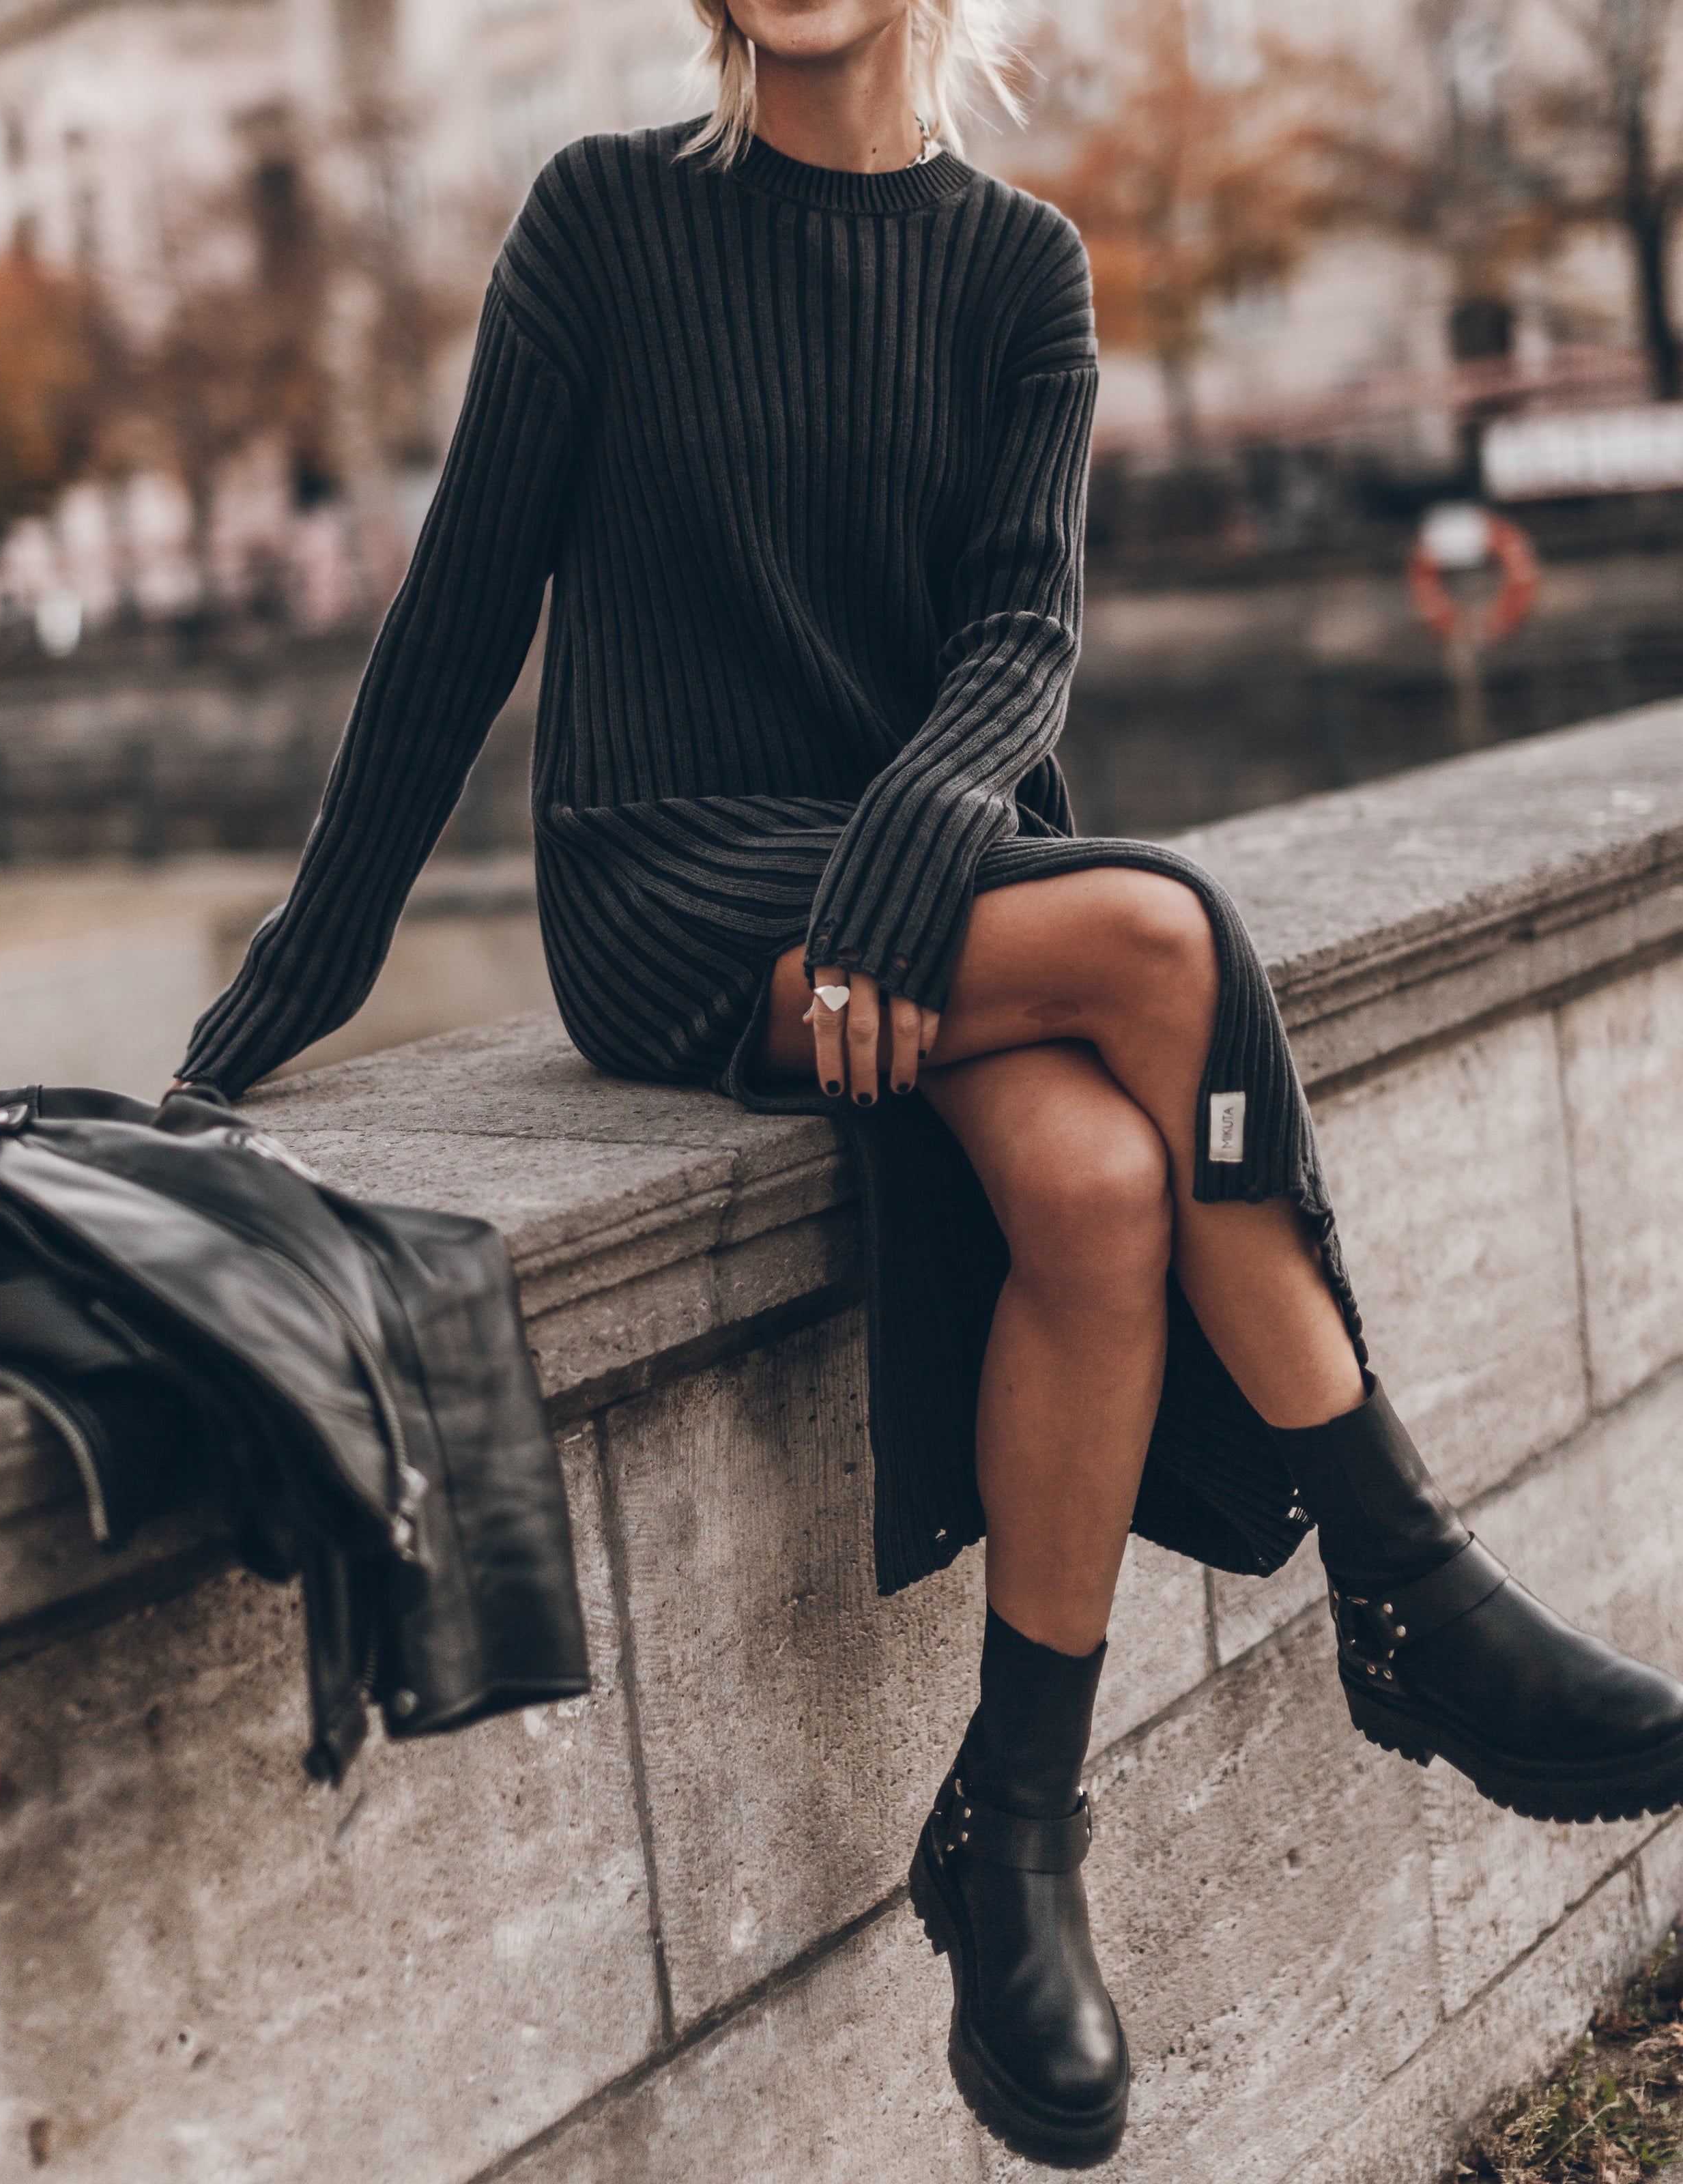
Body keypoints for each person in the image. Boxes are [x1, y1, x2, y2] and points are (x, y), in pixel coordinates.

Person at [172, 0, 1683, 2166]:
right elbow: (458, 612)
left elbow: (1018, 646)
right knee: (1162, 935)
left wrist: (898, 869)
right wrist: (297, 974)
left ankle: (1012, 1835)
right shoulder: (601, 219)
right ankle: (1411, 1587)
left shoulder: (1023, 265)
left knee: (1089, 1187)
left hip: (921, 877)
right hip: (673, 879)